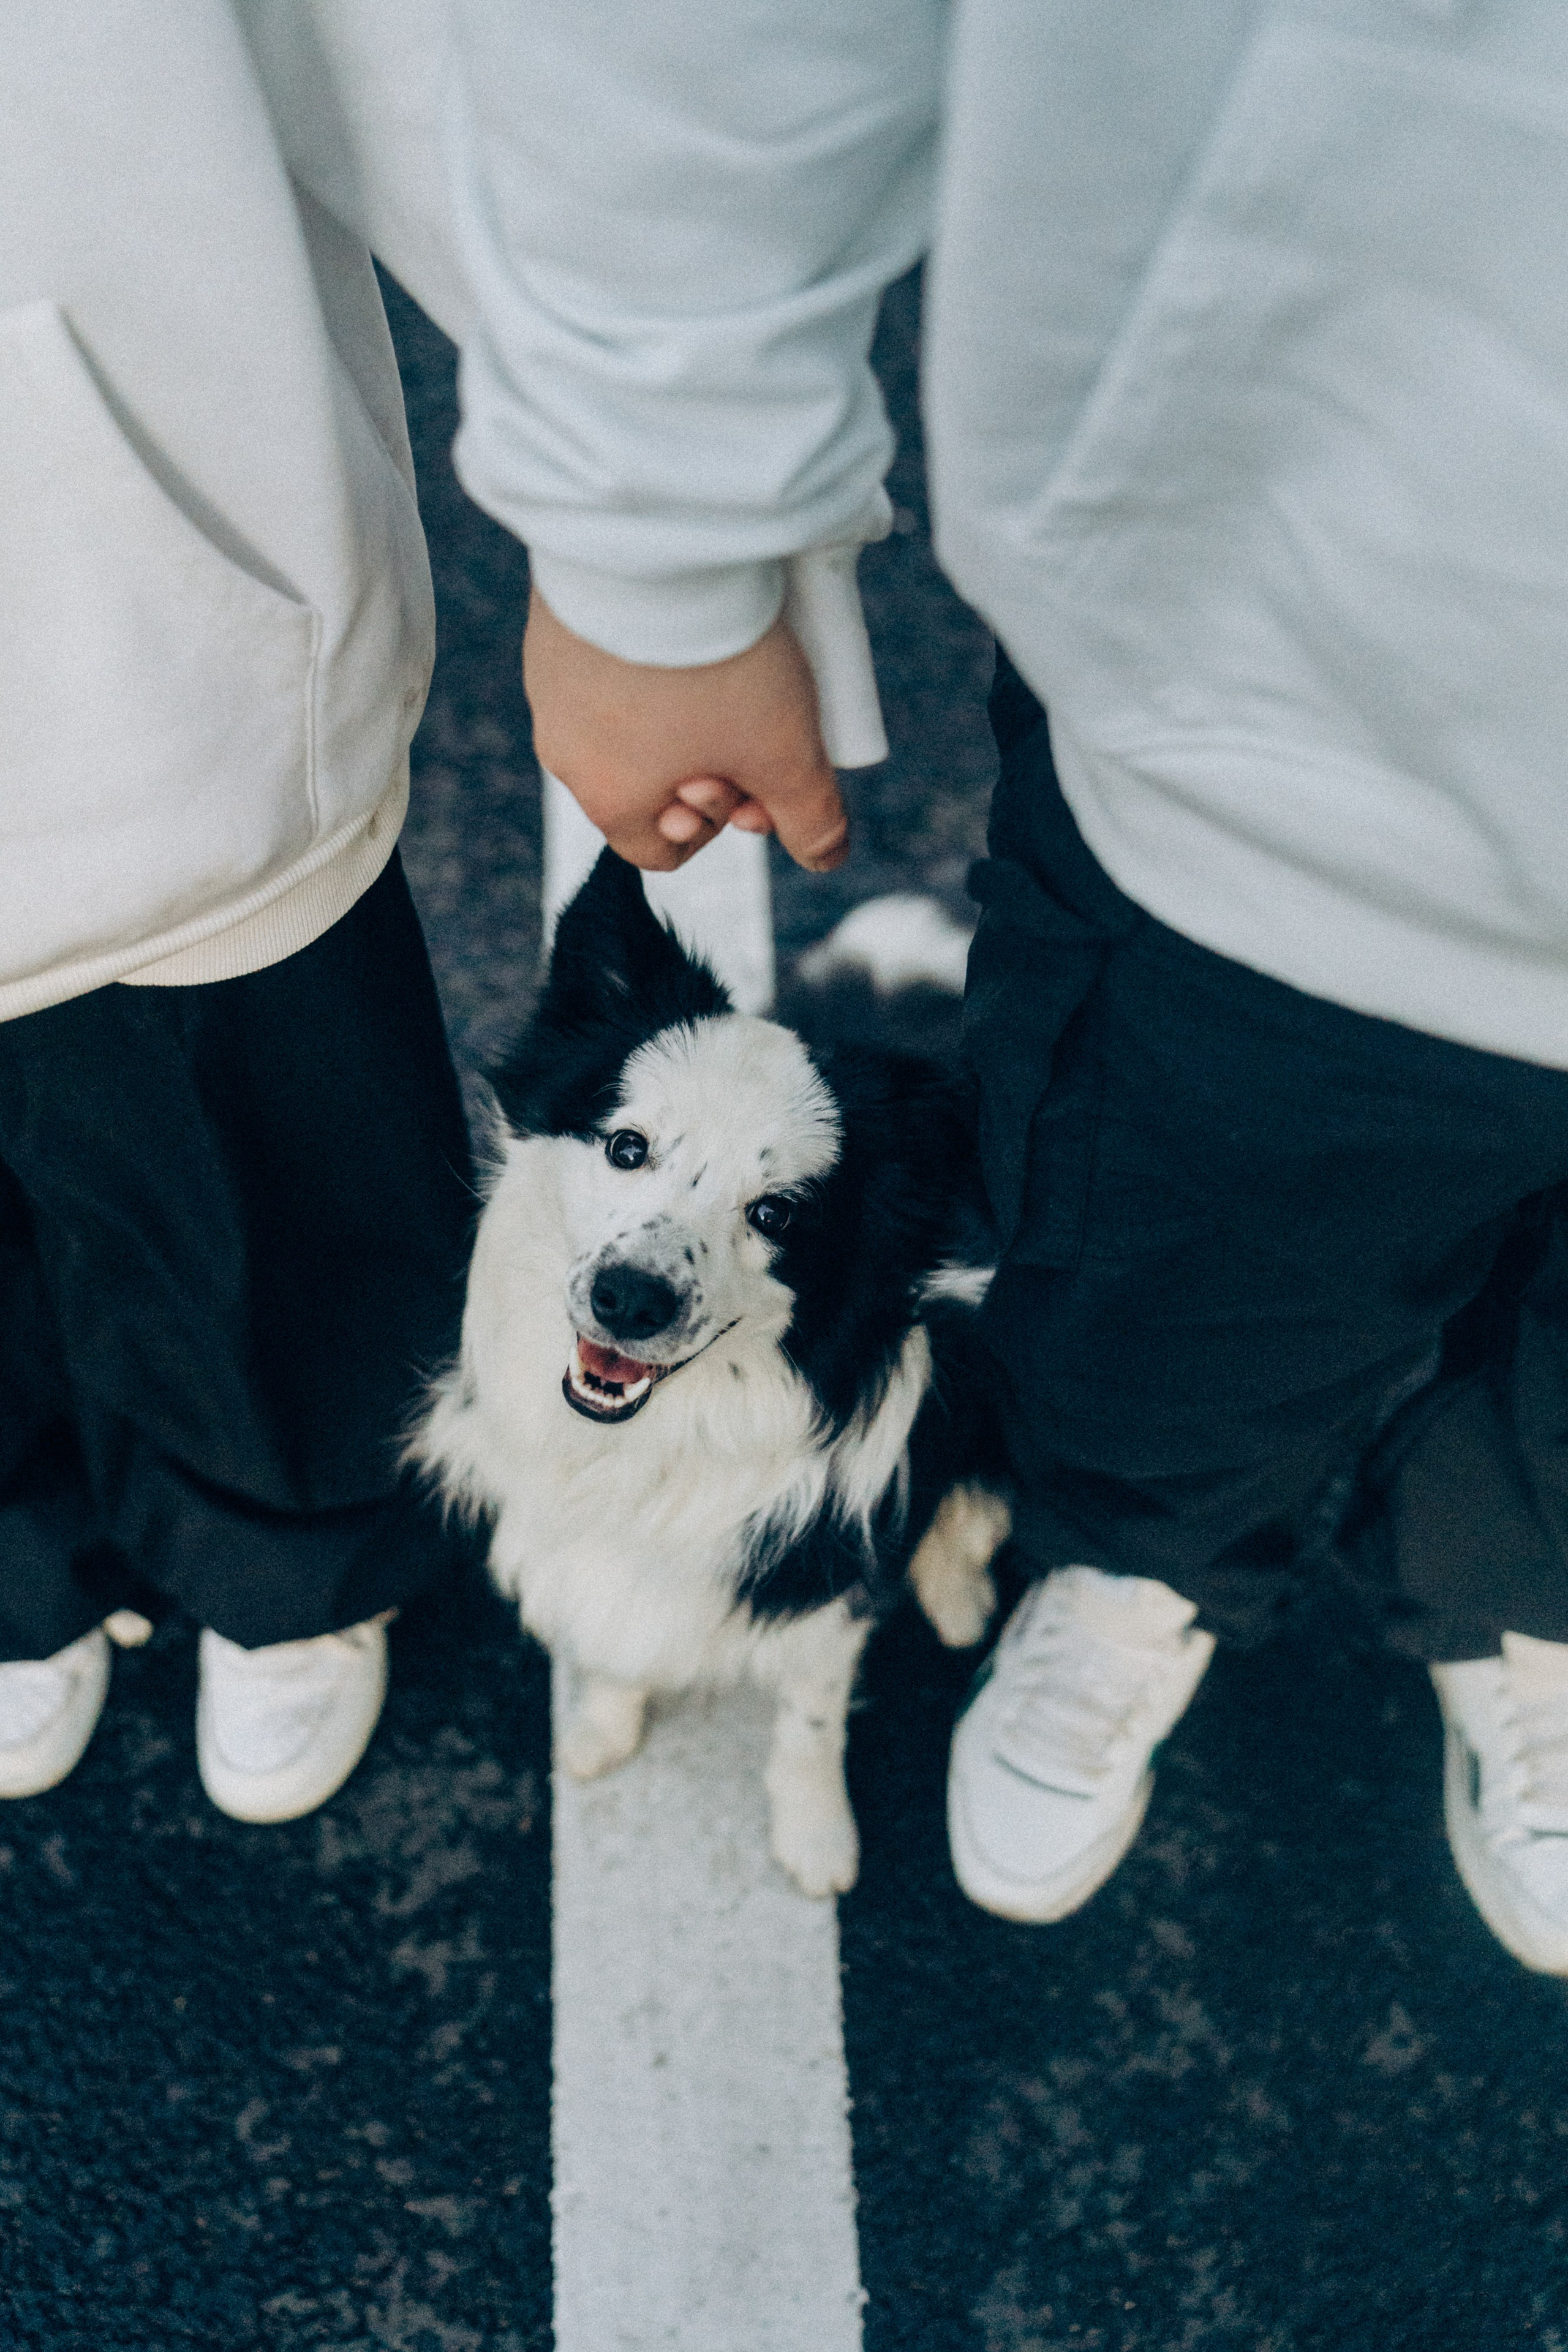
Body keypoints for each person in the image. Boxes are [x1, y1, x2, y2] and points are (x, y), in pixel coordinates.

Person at [431, 0, 1568, 1974]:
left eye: (775, 1206)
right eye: (625, 1148)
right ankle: (1129, 1569)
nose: (649, 1249)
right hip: (1274, 718)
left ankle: (1528, 1611)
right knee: (1175, 1293)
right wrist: (656, 540)